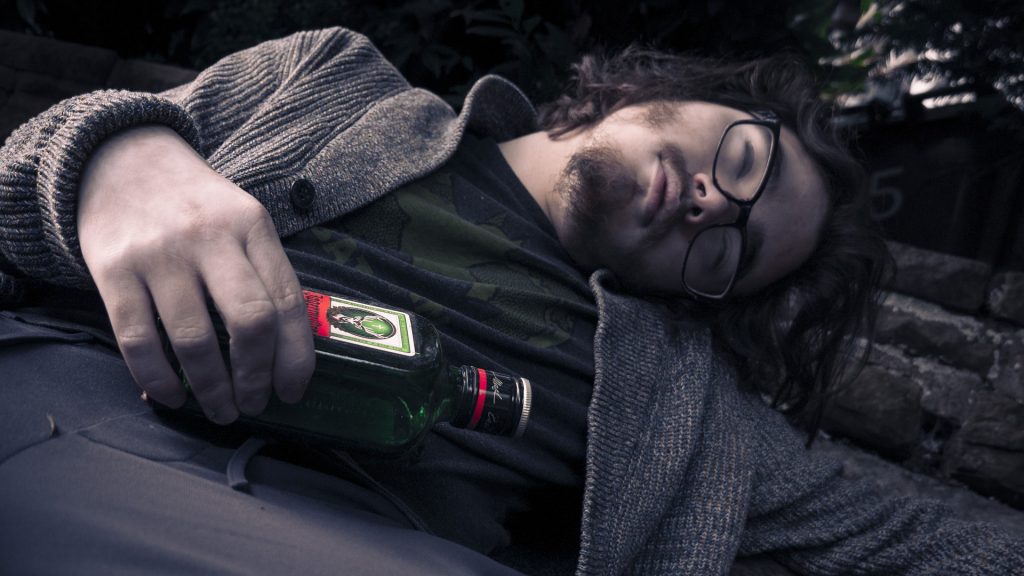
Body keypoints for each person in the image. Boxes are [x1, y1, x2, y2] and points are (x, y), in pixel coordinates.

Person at [0, 26, 1020, 575]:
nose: (713, 203)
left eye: (732, 251)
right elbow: (17, 186)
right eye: (745, 159)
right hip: (73, 405)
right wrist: (118, 162)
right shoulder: (336, 83)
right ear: (680, 89)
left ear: (699, 299)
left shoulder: (687, 413)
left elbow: (926, 538)